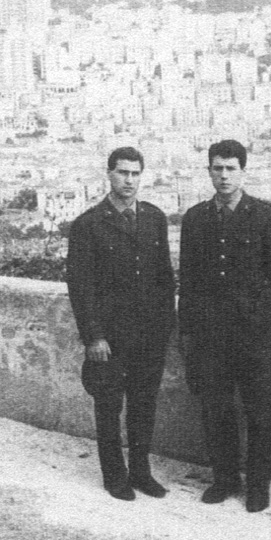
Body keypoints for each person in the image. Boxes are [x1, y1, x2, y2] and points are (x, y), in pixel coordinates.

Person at [178, 139, 271, 512]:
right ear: (209, 171)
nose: (224, 175)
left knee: (258, 414)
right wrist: (189, 335)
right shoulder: (195, 219)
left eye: (231, 168)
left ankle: (258, 487)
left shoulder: (267, 217)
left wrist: (256, 320)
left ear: (243, 171)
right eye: (218, 168)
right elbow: (189, 283)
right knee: (216, 411)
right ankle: (225, 479)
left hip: (253, 338)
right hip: (210, 338)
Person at [67, 146, 176, 502]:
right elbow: (80, 286)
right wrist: (93, 336)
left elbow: (164, 277)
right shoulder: (88, 224)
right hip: (110, 337)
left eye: (135, 173)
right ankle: (115, 476)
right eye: (122, 172)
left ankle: (141, 472)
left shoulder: (154, 218)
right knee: (109, 406)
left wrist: (165, 327)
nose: (129, 180)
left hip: (148, 334)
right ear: (109, 174)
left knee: (144, 406)